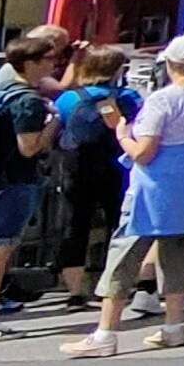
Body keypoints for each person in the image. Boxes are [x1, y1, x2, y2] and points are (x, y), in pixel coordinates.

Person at [71, 38, 184, 356]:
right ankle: (173, 326)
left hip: (155, 185)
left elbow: (144, 152)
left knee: (125, 252)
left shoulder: (161, 100)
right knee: (178, 252)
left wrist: (122, 135)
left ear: (168, 63)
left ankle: (106, 332)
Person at [0, 30, 66, 341]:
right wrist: (54, 124)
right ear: (30, 63)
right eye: (48, 59)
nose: (54, 64)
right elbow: (29, 147)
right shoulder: (27, 100)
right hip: (12, 181)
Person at [54, 41, 134, 311]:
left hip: (76, 170)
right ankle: (113, 286)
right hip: (117, 169)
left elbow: (56, 128)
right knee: (119, 226)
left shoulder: (70, 99)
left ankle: (75, 293)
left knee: (74, 227)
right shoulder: (127, 97)